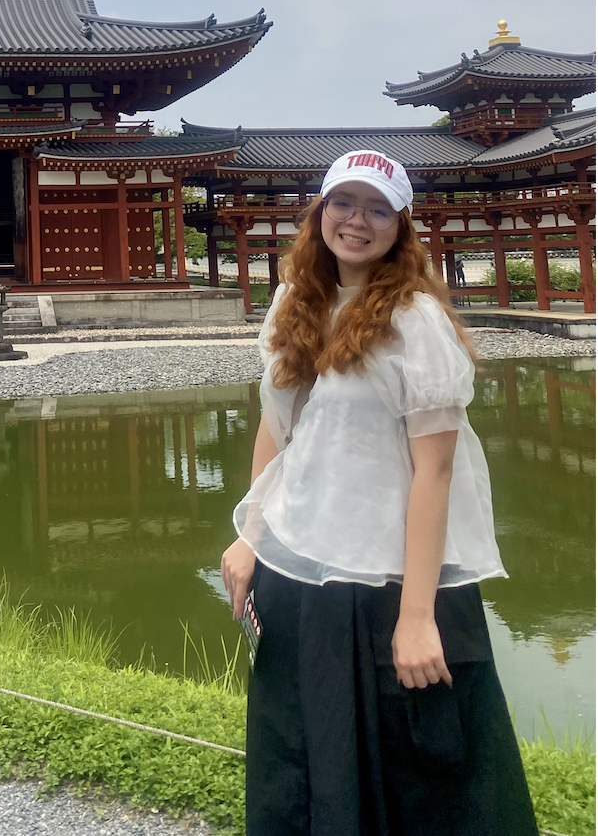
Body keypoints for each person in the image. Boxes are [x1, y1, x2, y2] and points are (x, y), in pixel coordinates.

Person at [220, 150, 537, 836]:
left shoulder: (415, 321)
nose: (356, 221)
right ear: (319, 212)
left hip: (394, 578)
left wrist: (418, 616)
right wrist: (252, 537)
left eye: (377, 209)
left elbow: (437, 472)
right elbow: (278, 431)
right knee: (303, 749)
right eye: (343, 203)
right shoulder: (293, 302)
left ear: (401, 226)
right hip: (300, 566)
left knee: (422, 766)